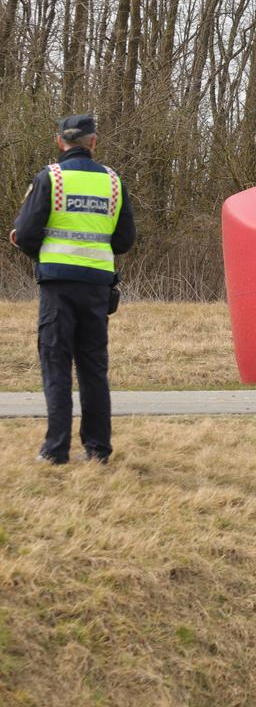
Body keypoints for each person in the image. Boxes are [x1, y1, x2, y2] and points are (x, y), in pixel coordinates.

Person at [9, 115, 136, 464]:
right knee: (94, 368)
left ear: (59, 141)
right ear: (93, 142)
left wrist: (41, 252)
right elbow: (124, 240)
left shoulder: (50, 178)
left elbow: (28, 233)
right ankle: (97, 450)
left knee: (56, 365)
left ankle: (55, 450)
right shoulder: (113, 183)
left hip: (58, 288)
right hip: (97, 287)